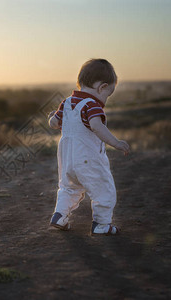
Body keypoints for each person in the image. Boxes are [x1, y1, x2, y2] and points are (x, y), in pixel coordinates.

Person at [48, 58, 129, 235]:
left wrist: (51, 117)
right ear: (102, 87)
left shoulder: (67, 102)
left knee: (69, 188)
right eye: (108, 94)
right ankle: (101, 224)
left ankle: (60, 216)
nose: (105, 99)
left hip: (67, 158)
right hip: (88, 158)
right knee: (103, 188)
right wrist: (115, 142)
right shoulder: (92, 105)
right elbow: (96, 126)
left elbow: (54, 123)